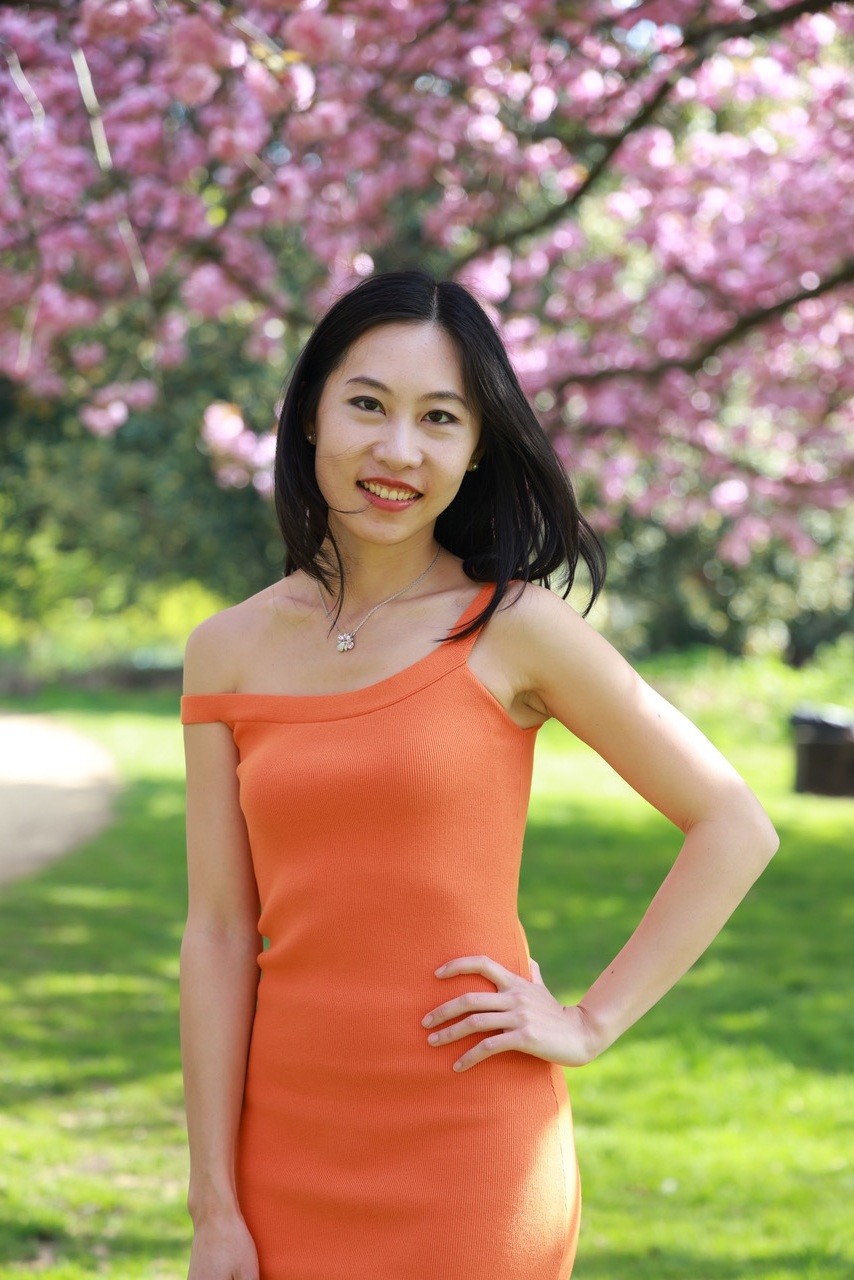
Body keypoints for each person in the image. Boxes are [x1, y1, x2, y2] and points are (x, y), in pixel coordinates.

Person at [179, 268, 779, 1280]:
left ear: (473, 447)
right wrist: (212, 1204)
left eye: (439, 418)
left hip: (471, 1143)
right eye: (366, 403)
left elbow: (732, 821)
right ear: (311, 414)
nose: (396, 450)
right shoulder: (226, 649)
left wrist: (587, 1020)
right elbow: (219, 931)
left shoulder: (512, 627)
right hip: (278, 1146)